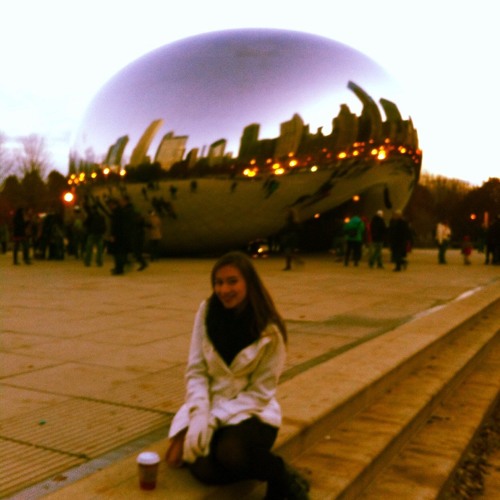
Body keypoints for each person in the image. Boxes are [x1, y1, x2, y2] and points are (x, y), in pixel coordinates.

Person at [166, 251, 310, 499]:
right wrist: (199, 413)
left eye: (232, 281)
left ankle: (281, 475)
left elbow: (260, 393)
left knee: (231, 452)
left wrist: (215, 419)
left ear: (249, 283)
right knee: (203, 468)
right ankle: (250, 464)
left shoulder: (270, 329)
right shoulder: (207, 311)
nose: (224, 290)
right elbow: (196, 370)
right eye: (218, 282)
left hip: (251, 413)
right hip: (210, 404)